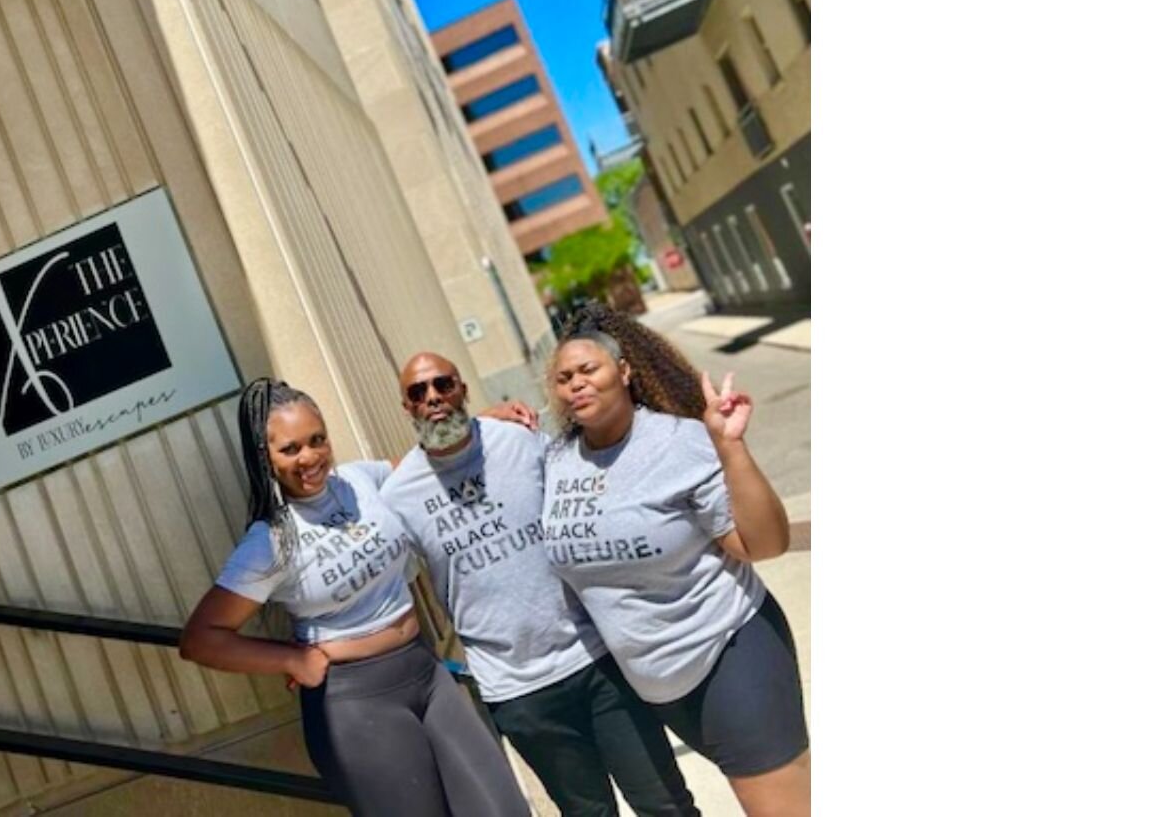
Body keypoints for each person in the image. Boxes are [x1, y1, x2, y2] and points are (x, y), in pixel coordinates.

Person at [179, 377, 530, 817]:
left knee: (502, 808)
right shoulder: (270, 542)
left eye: (317, 440)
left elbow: (418, 463)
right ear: (264, 457)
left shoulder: (358, 481)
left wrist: (481, 423)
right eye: (290, 449)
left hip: (425, 671)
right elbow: (202, 639)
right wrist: (291, 660)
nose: (309, 458)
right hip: (356, 703)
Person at [380, 352, 699, 817]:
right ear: (407, 408)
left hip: (596, 657)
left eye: (443, 385)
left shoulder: (520, 442)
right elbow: (386, 583)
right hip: (518, 692)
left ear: (462, 389)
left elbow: (589, 505)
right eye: (418, 392)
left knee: (664, 803)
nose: (433, 398)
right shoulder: (398, 494)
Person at [542, 305, 810, 817]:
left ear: (624, 372)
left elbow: (763, 545)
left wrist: (730, 449)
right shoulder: (555, 460)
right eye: (564, 377)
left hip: (729, 652)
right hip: (661, 684)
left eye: (589, 369)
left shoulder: (678, 441)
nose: (576, 383)